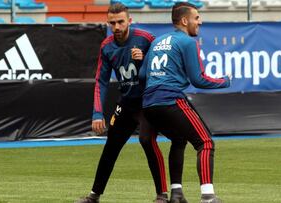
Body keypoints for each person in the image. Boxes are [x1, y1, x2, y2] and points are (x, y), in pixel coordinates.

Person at [77, 3, 172, 203]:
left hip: (148, 102)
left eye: (121, 22)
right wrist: (97, 113)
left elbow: (164, 63)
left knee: (147, 141)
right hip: (127, 104)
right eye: (112, 23)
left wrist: (146, 58)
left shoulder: (146, 38)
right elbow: (101, 81)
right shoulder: (107, 46)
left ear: (129, 20)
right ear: (108, 22)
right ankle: (94, 196)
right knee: (110, 147)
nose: (117, 26)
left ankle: (162, 195)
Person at [140, 2, 231, 203]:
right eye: (196, 18)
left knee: (179, 139)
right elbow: (199, 79)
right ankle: (208, 196)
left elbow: (142, 74)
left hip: (149, 104)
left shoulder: (157, 42)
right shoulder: (188, 43)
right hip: (170, 99)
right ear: (184, 20)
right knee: (205, 143)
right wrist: (225, 81)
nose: (200, 22)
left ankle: (176, 193)